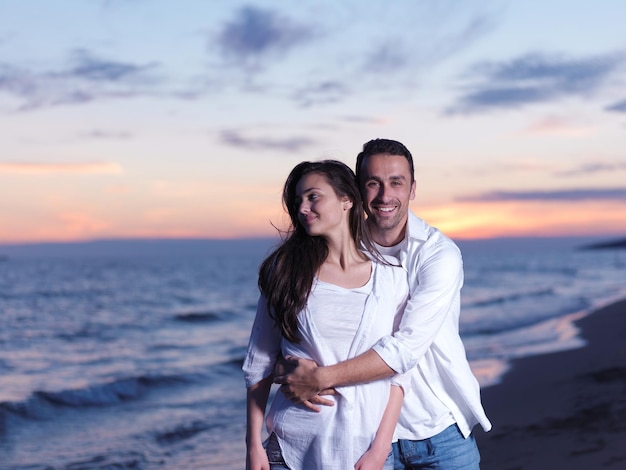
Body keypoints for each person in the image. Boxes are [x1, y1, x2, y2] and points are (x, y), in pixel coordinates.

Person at [274, 139, 492, 469]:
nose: (385, 196)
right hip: (364, 433)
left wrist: (319, 378)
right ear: (357, 192)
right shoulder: (336, 251)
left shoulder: (438, 254)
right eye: (373, 183)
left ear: (412, 189)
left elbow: (406, 348)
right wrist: (286, 369)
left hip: (437, 429)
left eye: (396, 183)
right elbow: (305, 333)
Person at [243, 160, 410, 470]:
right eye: (298, 201)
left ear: (347, 199)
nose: (303, 207)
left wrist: (379, 451)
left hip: (365, 452)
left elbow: (399, 374)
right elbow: (259, 363)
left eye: (313, 196)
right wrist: (253, 445)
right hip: (290, 448)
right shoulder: (286, 272)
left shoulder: (392, 279)